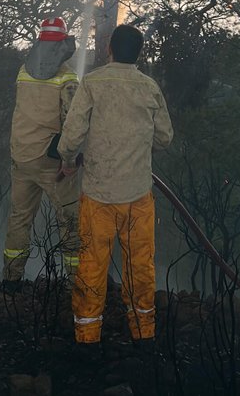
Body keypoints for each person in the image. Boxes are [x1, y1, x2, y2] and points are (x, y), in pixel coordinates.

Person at [58, 24, 173, 346]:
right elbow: (165, 138)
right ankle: (143, 332)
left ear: (109, 49)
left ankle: (87, 336)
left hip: (98, 197)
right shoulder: (149, 88)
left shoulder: (92, 84)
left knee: (92, 267)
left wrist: (68, 162)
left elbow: (71, 138)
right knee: (140, 266)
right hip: (138, 197)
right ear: (138, 53)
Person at [3, 17, 81, 289]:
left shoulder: (23, 71)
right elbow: (72, 122)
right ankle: (77, 283)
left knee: (19, 218)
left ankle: (11, 280)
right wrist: (69, 161)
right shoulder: (68, 77)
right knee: (69, 220)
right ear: (63, 42)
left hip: (21, 157)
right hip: (51, 163)